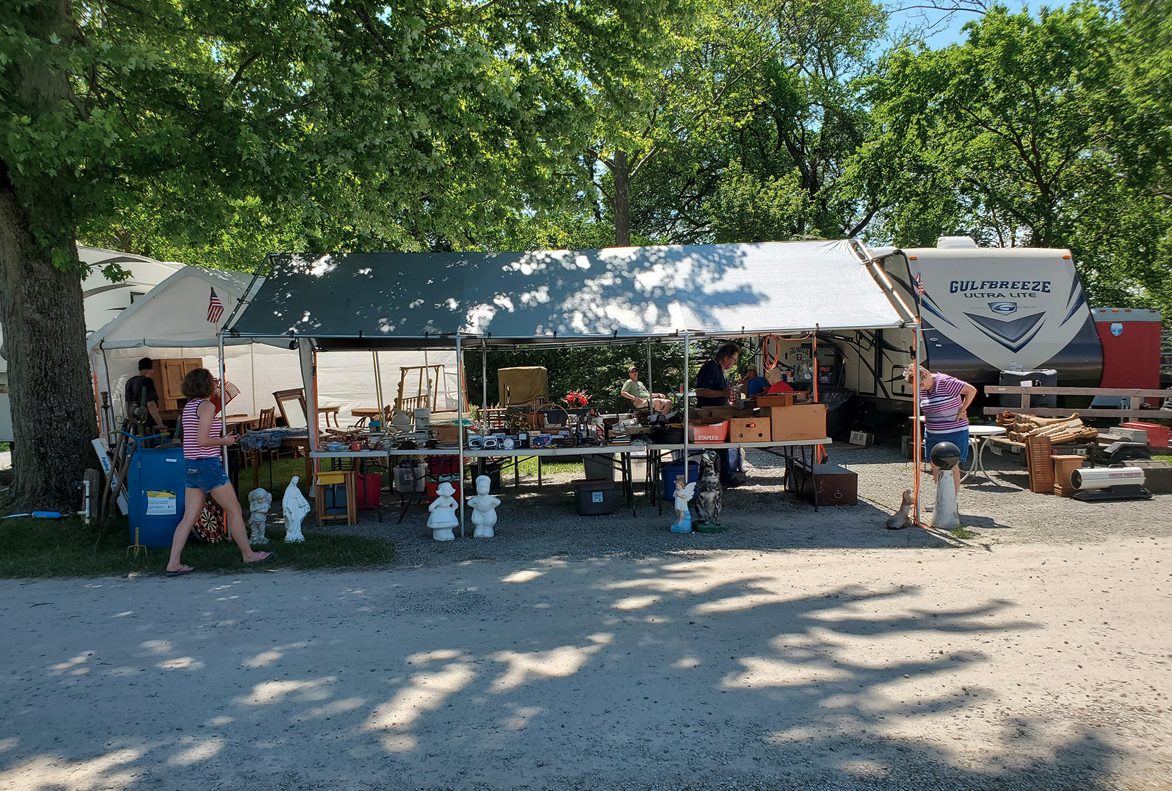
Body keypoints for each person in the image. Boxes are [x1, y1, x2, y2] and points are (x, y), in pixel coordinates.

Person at [166, 368, 273, 576]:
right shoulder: (206, 407)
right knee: (234, 510)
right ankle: (248, 555)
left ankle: (173, 563)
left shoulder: (189, 407)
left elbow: (197, 437)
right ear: (206, 385)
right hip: (208, 465)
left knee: (189, 516)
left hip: (191, 465)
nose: (217, 384)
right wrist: (225, 441)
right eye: (213, 382)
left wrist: (222, 438)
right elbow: (203, 440)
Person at [905, 365, 977, 495]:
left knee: (952, 465)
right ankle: (940, 497)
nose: (920, 388)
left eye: (921, 384)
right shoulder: (922, 388)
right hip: (933, 431)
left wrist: (962, 410)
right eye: (917, 387)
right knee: (934, 464)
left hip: (953, 431)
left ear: (926, 374)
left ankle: (951, 500)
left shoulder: (945, 382)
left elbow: (971, 390)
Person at [695, 344, 745, 485]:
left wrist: (728, 403)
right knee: (718, 446)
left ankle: (722, 477)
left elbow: (720, 393)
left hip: (717, 413)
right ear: (726, 357)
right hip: (709, 414)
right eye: (734, 359)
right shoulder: (711, 367)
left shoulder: (720, 370)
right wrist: (723, 393)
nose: (735, 363)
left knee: (721, 447)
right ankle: (722, 478)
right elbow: (701, 391)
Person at [124, 357, 163, 434]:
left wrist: (131, 419)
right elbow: (150, 404)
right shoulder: (147, 381)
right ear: (152, 368)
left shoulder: (129, 382)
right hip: (147, 423)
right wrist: (160, 425)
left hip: (135, 422)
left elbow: (127, 404)